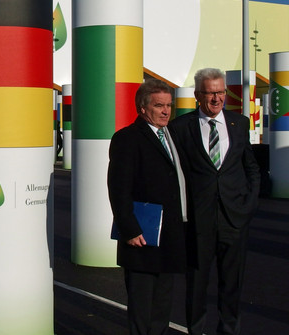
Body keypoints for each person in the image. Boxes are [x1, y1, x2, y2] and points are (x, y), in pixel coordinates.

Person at [169, 68, 260, 335]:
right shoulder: (180, 127)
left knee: (232, 284)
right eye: (210, 93)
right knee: (196, 285)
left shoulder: (239, 123)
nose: (217, 98)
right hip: (198, 221)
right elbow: (177, 174)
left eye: (220, 92)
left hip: (234, 218)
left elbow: (251, 167)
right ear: (198, 95)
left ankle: (229, 331)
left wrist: (249, 204)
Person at [107, 79, 188, 335]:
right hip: (142, 237)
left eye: (169, 105)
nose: (166, 111)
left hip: (170, 236)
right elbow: (118, 188)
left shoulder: (173, 135)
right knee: (142, 310)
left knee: (162, 308)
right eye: (159, 106)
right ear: (142, 108)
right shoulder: (127, 139)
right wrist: (129, 229)